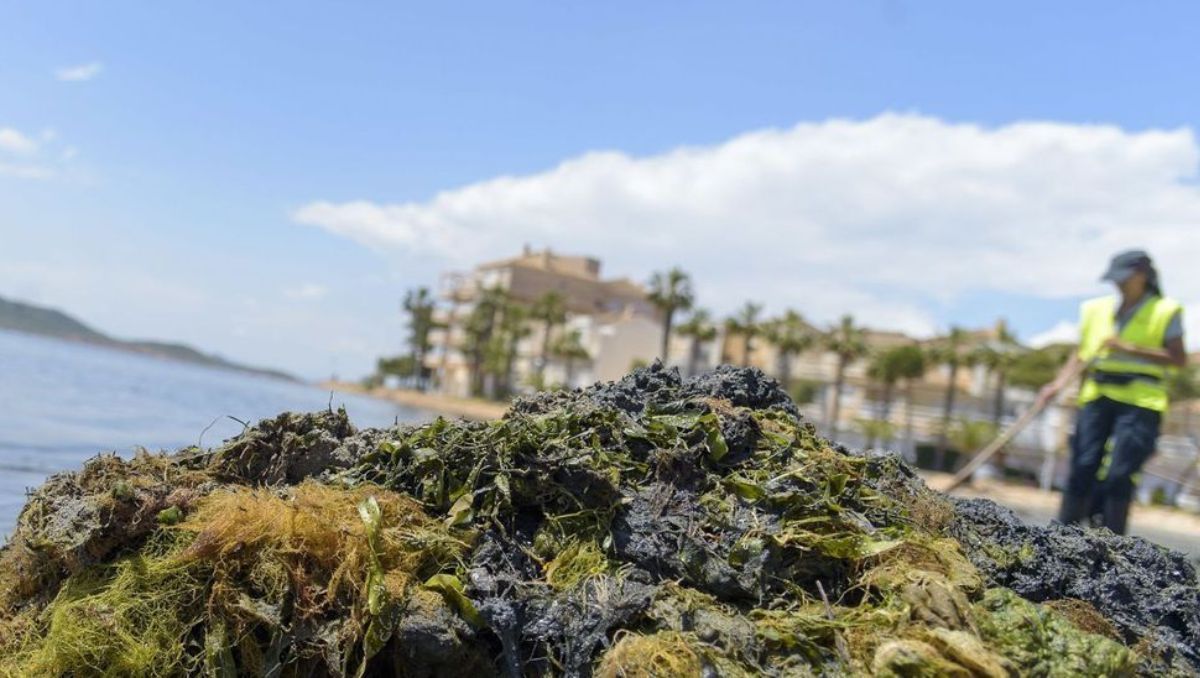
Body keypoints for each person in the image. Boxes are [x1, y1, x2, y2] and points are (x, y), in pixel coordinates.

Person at [1037, 249, 1186, 534]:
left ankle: (1113, 541)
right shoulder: (1096, 310)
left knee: (1120, 472)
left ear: (1142, 276)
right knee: (1083, 464)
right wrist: (1056, 385)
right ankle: (1060, 536)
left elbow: (1178, 359)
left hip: (1141, 401)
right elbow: (1081, 354)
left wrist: (1131, 349)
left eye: (1124, 278)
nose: (1118, 284)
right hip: (1097, 395)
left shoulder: (1165, 311)